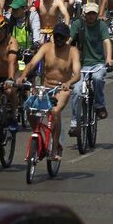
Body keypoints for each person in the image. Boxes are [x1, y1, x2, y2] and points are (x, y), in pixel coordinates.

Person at [16, 22, 81, 160]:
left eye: (61, 37)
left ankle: (55, 148)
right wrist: (23, 76)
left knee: (55, 111)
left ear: (67, 38)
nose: (58, 39)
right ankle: (38, 134)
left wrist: (69, 82)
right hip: (45, 88)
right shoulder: (46, 47)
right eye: (56, 36)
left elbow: (77, 74)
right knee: (29, 109)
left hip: (62, 89)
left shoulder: (73, 51)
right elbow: (32, 63)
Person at [68, 3, 113, 136]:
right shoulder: (78, 24)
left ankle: (99, 105)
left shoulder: (101, 25)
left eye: (93, 13)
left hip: (97, 64)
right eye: (89, 13)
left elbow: (107, 41)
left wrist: (109, 58)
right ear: (84, 14)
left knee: (97, 78)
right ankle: (74, 122)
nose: (91, 16)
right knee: (76, 90)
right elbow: (69, 40)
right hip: (80, 65)